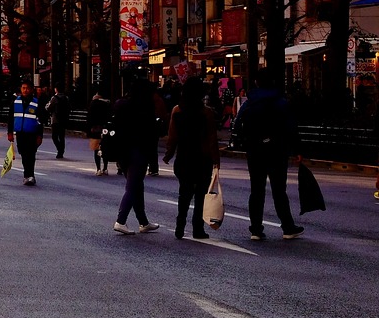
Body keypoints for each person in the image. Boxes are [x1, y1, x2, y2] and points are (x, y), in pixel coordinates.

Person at [231, 68, 305, 241]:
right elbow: (291, 127)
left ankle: (256, 229)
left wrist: (245, 143)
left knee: (256, 189)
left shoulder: (250, 102)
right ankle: (287, 227)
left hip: (255, 150)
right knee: (279, 190)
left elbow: (238, 124)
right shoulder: (280, 102)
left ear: (256, 82)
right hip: (277, 149)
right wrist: (297, 150)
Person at [163, 77, 220, 240]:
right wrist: (216, 159)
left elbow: (172, 136)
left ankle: (179, 226)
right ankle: (198, 228)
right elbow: (211, 138)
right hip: (202, 158)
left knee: (184, 193)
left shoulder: (177, 110)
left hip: (184, 156)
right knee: (200, 195)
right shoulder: (206, 113)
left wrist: (169, 154)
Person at [112, 76, 162, 234]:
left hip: (122, 150)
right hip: (139, 149)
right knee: (133, 186)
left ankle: (143, 222)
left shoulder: (121, 104)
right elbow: (151, 132)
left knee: (136, 185)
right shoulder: (144, 107)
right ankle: (121, 220)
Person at [6, 81, 44, 185]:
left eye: (27, 88)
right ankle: (27, 174)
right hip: (20, 133)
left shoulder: (37, 103)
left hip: (32, 133)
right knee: (23, 153)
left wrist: (40, 135)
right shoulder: (15, 102)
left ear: (32, 89)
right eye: (23, 88)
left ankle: (30, 175)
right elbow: (10, 118)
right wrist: (9, 132)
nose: (25, 90)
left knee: (31, 154)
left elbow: (40, 121)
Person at [86, 88, 113, 176]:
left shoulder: (93, 103)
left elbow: (89, 117)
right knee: (106, 147)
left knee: (96, 148)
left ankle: (98, 169)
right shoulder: (108, 104)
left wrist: (88, 130)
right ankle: (105, 168)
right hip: (105, 128)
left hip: (95, 128)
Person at [46, 86, 71, 159]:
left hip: (55, 120)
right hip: (63, 120)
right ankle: (61, 151)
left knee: (54, 137)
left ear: (56, 89)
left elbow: (49, 108)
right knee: (61, 136)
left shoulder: (54, 98)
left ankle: (59, 149)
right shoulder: (66, 98)